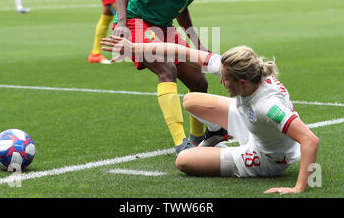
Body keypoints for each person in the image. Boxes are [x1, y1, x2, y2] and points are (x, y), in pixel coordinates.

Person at [101, 36, 320, 194]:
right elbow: (182, 52)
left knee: (184, 161)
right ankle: (219, 134)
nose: (221, 82)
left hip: (268, 155)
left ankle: (224, 150)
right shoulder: (241, 73)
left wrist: (298, 188)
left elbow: (310, 140)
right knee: (191, 99)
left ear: (241, 82)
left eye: (225, 79)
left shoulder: (268, 105)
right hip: (249, 120)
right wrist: (135, 48)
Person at [111, 0, 230, 154]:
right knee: (167, 70)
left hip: (162, 25)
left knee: (199, 81)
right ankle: (180, 143)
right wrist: (123, 24)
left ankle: (202, 137)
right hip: (136, 19)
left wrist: (197, 43)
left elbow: (181, 7)